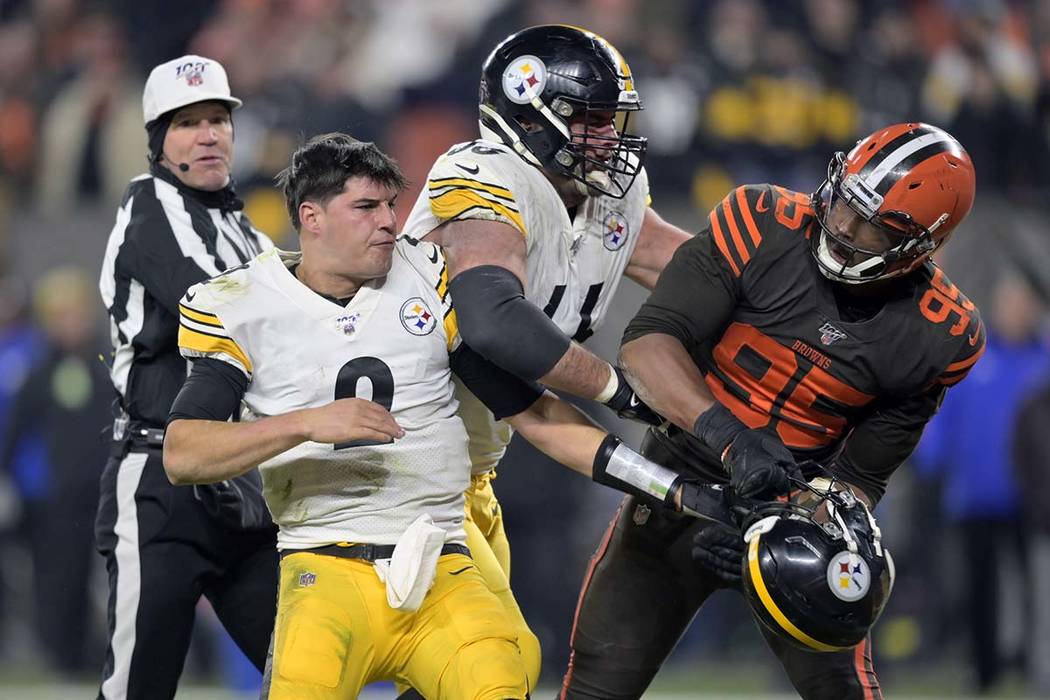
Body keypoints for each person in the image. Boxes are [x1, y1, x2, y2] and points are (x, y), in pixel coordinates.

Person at [162, 132, 703, 699]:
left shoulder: (427, 276)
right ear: (311, 218)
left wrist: (669, 487)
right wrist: (304, 423)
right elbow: (183, 454)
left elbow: (535, 414)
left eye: (392, 206)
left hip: (439, 559)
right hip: (325, 569)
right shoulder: (245, 305)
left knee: (507, 670)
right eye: (366, 208)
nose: (389, 223)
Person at [560, 122, 985, 699]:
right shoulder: (759, 220)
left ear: (922, 247)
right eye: (844, 205)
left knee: (844, 691)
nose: (844, 229)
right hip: (677, 480)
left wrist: (776, 530)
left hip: (799, 513)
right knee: (596, 687)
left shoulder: (940, 334)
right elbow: (646, 346)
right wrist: (733, 439)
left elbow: (858, 480)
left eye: (873, 227)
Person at [399, 24, 691, 681]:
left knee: (472, 672)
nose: (609, 137)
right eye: (589, 120)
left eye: (612, 120)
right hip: (392, 470)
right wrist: (618, 390)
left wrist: (789, 279)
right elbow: (495, 323)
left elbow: (690, 267)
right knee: (491, 668)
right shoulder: (480, 177)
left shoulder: (603, 194)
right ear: (529, 116)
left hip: (466, 469)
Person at [96, 55, 276, 700]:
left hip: (242, 480)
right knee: (138, 690)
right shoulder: (152, 205)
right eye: (187, 122)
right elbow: (215, 304)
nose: (208, 134)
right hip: (160, 485)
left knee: (310, 676)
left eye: (218, 119)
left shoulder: (243, 224)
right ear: (157, 140)